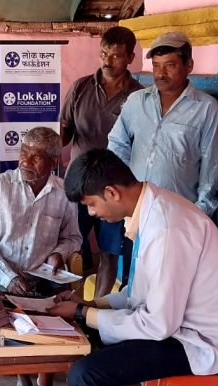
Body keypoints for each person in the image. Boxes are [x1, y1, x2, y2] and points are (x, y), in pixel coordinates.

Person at [49, 149, 218, 386]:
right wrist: (88, 304)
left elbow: (157, 324)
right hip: (174, 326)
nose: (94, 213)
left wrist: (87, 314)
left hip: (198, 340)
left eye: (91, 204)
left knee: (86, 376)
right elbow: (135, 295)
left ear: (112, 193)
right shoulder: (153, 210)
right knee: (83, 345)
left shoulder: (167, 227)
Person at [60, 26, 145, 297]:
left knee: (110, 251)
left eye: (116, 56)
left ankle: (99, 305)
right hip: (79, 185)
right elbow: (65, 131)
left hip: (114, 190)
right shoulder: (81, 87)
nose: (107, 62)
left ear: (130, 57)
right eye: (104, 54)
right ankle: (71, 304)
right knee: (72, 246)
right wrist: (47, 144)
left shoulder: (139, 96)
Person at [106, 31, 218, 216]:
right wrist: (126, 185)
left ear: (189, 65)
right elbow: (117, 143)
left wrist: (200, 213)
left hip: (179, 212)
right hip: (137, 209)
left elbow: (211, 167)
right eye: (156, 66)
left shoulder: (206, 108)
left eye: (170, 65)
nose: (160, 74)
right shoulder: (136, 101)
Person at [0, 127, 83, 296]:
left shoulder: (64, 193)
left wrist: (58, 253)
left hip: (42, 285)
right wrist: (9, 278)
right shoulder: (0, 186)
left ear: (54, 162)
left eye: (36, 157)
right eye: (23, 153)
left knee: (62, 317)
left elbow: (72, 237)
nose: (25, 162)